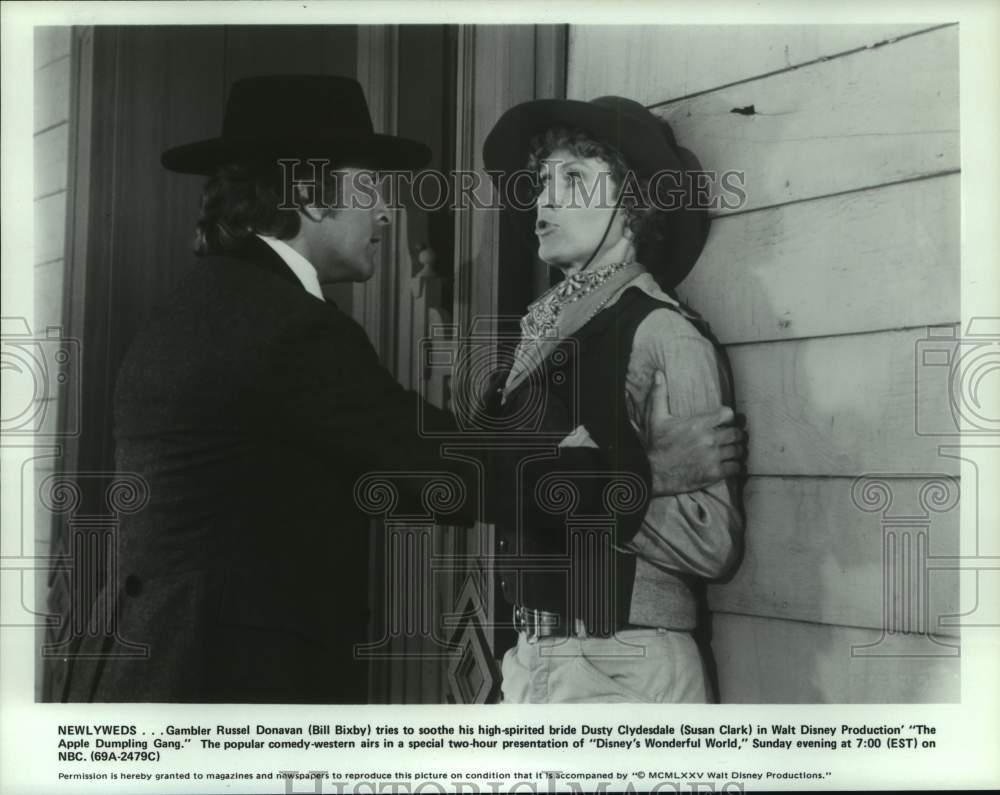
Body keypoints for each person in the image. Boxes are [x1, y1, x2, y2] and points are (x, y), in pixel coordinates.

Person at [57, 76, 744, 704]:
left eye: (575, 178)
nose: (388, 212)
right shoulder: (285, 327)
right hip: (213, 683)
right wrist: (639, 475)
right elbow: (435, 463)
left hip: (157, 671)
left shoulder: (210, 302)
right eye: (372, 188)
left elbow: (429, 445)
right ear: (308, 192)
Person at [482, 95, 744, 703]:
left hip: (622, 663)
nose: (545, 201)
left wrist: (573, 484)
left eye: (573, 179)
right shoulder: (540, 336)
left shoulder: (662, 333)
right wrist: (631, 476)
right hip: (537, 662)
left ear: (632, 204)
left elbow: (713, 541)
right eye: (543, 181)